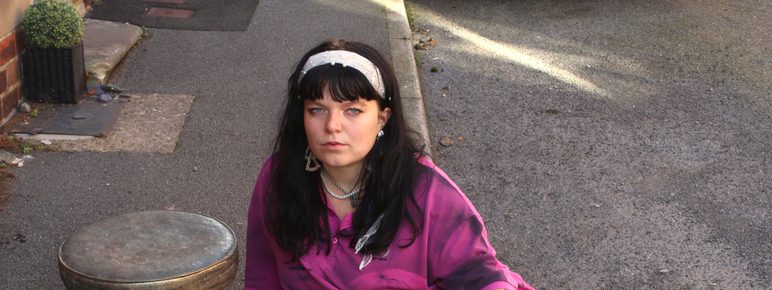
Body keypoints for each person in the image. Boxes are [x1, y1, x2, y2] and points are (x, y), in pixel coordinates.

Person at [245, 39, 533, 290]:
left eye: (353, 110)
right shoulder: (278, 177)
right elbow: (262, 277)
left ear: (382, 118)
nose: (332, 126)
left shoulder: (425, 191)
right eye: (317, 109)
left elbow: (478, 272)